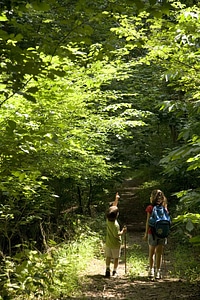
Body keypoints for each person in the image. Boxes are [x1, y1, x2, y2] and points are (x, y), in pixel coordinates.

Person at [143, 189, 168, 279]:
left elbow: (148, 222)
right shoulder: (164, 207)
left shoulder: (150, 208)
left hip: (152, 232)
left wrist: (146, 233)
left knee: (151, 253)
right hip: (162, 233)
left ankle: (151, 270)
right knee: (159, 253)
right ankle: (158, 271)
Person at [105, 192, 127, 278]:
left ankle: (107, 269)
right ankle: (114, 270)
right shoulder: (116, 225)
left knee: (108, 257)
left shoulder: (108, 221)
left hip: (108, 243)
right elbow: (117, 235)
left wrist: (116, 199)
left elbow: (113, 208)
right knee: (116, 258)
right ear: (117, 215)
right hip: (115, 244)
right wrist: (123, 231)